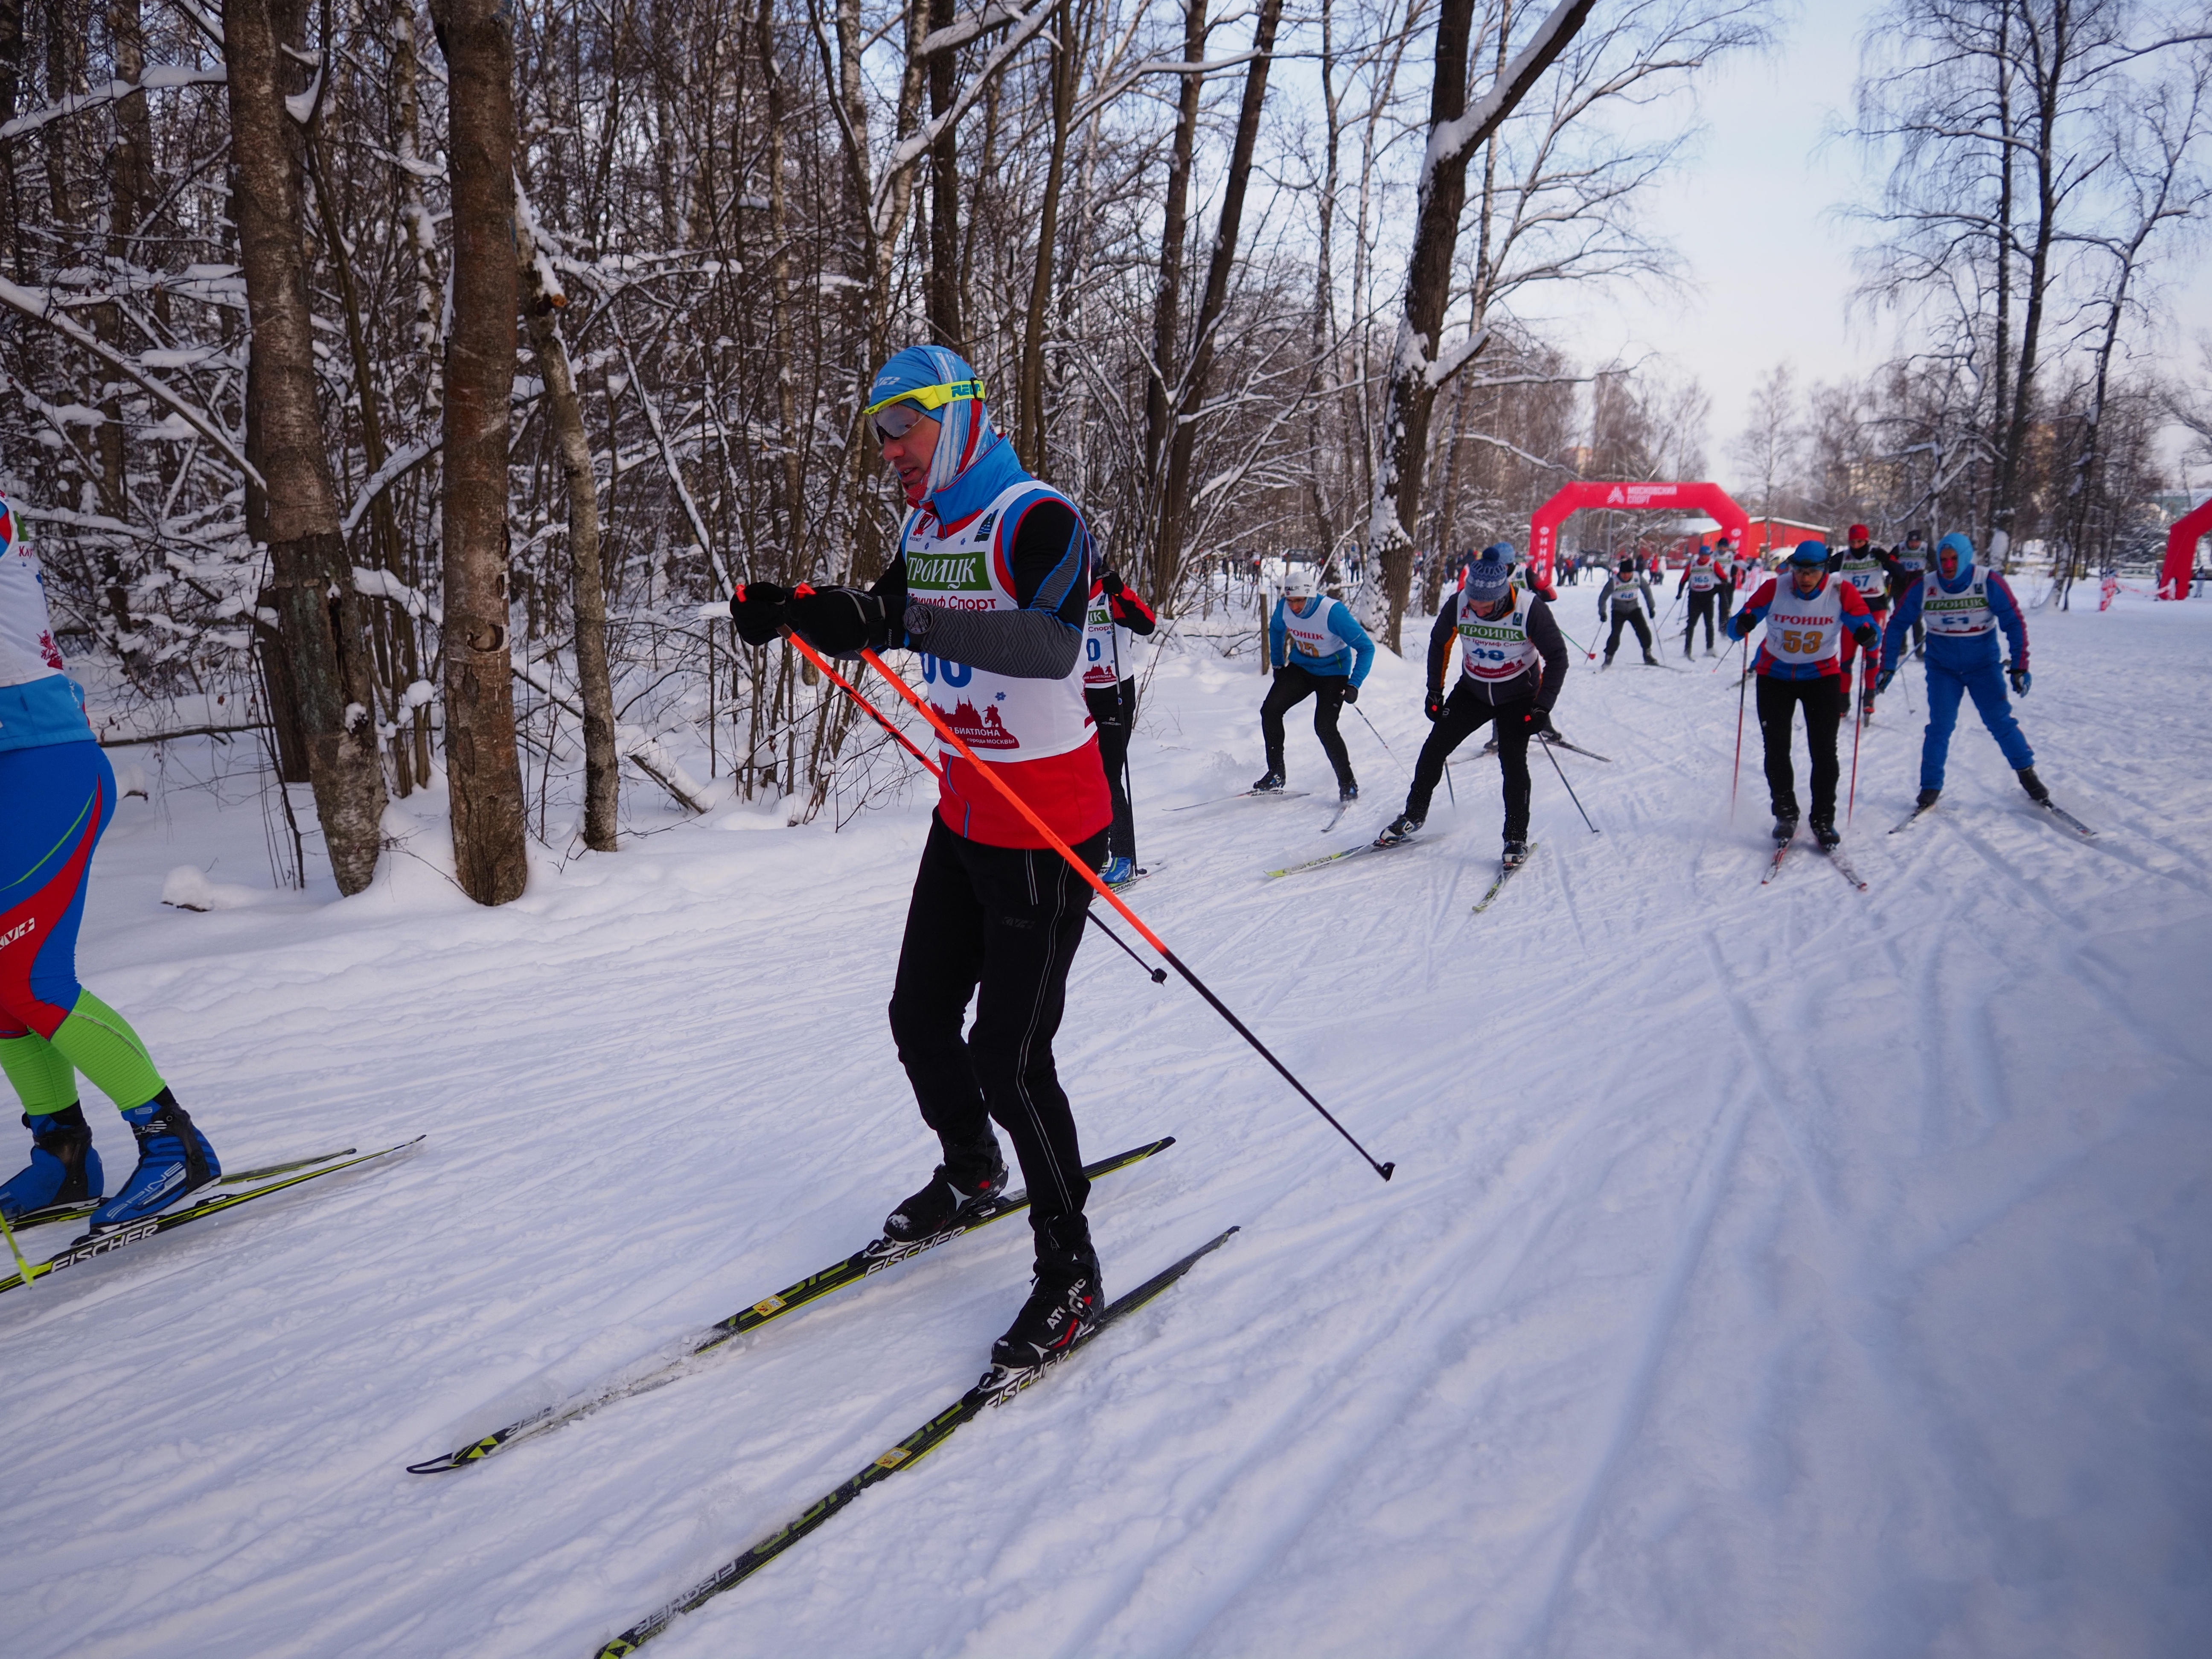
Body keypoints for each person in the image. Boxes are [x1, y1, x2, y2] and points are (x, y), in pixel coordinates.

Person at [728, 346, 1109, 1371]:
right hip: (967, 807)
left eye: (904, 421)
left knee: (1011, 1057)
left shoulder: (1037, 518)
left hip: (1048, 822)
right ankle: (973, 1168)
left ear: (963, 415)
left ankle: (1071, 1273)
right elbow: (888, 615)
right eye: (876, 427)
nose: (886, 445)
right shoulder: (924, 525)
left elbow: (1047, 646)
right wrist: (798, 607)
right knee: (916, 1016)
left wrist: (896, 616)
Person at [0, 490, 223, 1230]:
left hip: (43, 767)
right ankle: (62, 1157)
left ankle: (174, 1143)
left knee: (31, 976)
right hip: (14, 774)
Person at [1376, 548, 1568, 867]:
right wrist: (1434, 693)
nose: (1477, 608)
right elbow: (1440, 643)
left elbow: (1558, 659)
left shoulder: (1529, 608)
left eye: (1485, 604)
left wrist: (1542, 707)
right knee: (1434, 748)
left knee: (1513, 761)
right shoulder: (1460, 602)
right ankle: (1413, 815)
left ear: (1502, 594)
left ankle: (1516, 837)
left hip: (1518, 694)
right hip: (1474, 690)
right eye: (1473, 601)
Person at [1725, 540, 1880, 849]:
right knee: (1777, 747)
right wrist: (1741, 624)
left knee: (1824, 751)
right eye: (1799, 570)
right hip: (1775, 677)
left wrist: (1866, 633)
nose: (1804, 578)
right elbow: (1735, 627)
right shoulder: (1775, 588)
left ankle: (1823, 820)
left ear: (1825, 569)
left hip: (1821, 678)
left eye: (1812, 571)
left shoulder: (1841, 591)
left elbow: (1869, 629)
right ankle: (1786, 814)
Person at [1878, 531, 2047, 813]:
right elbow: (1897, 624)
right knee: (1940, 726)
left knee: (2000, 721)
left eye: (1954, 559)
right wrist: (1887, 666)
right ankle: (1930, 787)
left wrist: (2020, 665)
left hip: (1983, 666)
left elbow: (2014, 623)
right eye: (1943, 559)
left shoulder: (1988, 582)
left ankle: (2029, 776)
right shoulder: (1925, 585)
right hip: (1943, 669)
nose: (1948, 565)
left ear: (1966, 557)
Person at [1254, 565, 1374, 802]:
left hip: (1334, 673)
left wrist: (1355, 684)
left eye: (1300, 601)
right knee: (1270, 710)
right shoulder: (1285, 608)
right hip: (1302, 668)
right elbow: (1276, 630)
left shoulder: (1332, 612)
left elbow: (1366, 647)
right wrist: (1278, 664)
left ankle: (1348, 783)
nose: (1295, 607)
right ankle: (1276, 773)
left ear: (1311, 595)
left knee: (1324, 727)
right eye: (1290, 600)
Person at [1082, 567, 1156, 886]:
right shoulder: (1062, 594)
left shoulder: (1109, 596)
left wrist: (1121, 590)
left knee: (1109, 774)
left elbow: (1146, 624)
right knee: (1083, 773)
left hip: (1114, 694)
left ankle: (1124, 854)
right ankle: (1096, 851)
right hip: (1078, 695)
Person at [1831, 524, 1894, 720]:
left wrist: (1887, 561)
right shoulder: (1843, 557)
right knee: (1846, 659)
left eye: (1860, 542)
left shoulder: (1876, 554)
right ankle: (1843, 701)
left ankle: (1869, 697)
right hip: (1851, 609)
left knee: (1872, 655)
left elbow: (1900, 571)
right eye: (1853, 542)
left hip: (1876, 607)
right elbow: (1821, 570)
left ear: (1867, 541)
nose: (1856, 546)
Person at [1597, 553, 1659, 666]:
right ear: (1620, 572)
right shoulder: (1614, 581)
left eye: (1629, 573)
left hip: (1634, 610)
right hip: (1618, 611)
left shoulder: (1637, 577)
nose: (1626, 576)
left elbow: (1647, 592)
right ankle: (1609, 657)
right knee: (1615, 636)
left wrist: (1651, 607)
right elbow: (1603, 598)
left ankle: (1648, 655)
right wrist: (1602, 612)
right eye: (1624, 573)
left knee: (1644, 632)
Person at [1889, 528, 1930, 658]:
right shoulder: (1900, 548)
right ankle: (1902, 647)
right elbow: (1889, 561)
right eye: (1911, 543)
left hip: (1917, 587)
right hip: (1900, 585)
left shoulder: (1926, 548)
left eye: (1916, 542)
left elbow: (1936, 563)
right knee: (1901, 617)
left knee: (1916, 619)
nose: (1914, 545)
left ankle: (1919, 649)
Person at [1676, 544, 1722, 657]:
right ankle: (1687, 650)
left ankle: (1710, 649)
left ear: (1709, 555)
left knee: (1709, 623)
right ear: (1699, 555)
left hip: (1707, 597)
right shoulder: (1692, 564)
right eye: (1702, 555)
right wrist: (1680, 593)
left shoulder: (1713, 563)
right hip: (1695, 597)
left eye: (1706, 555)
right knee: (1691, 624)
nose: (1704, 558)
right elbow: (1684, 579)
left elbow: (1723, 577)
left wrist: (1720, 588)